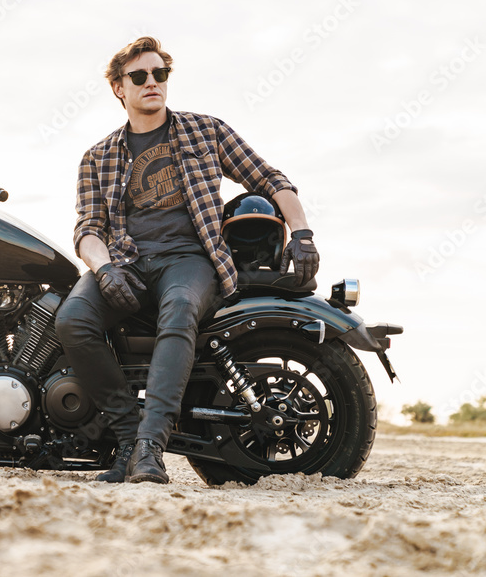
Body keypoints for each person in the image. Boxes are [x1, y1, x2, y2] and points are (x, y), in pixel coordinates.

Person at [54, 37, 320, 484]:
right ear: (119, 88)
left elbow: (270, 178)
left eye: (160, 74)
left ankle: (150, 450)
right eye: (139, 76)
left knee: (178, 311)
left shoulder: (205, 130)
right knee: (72, 320)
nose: (151, 82)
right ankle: (127, 439)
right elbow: (88, 231)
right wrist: (104, 269)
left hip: (191, 259)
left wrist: (304, 232)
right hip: (126, 261)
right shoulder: (97, 157)